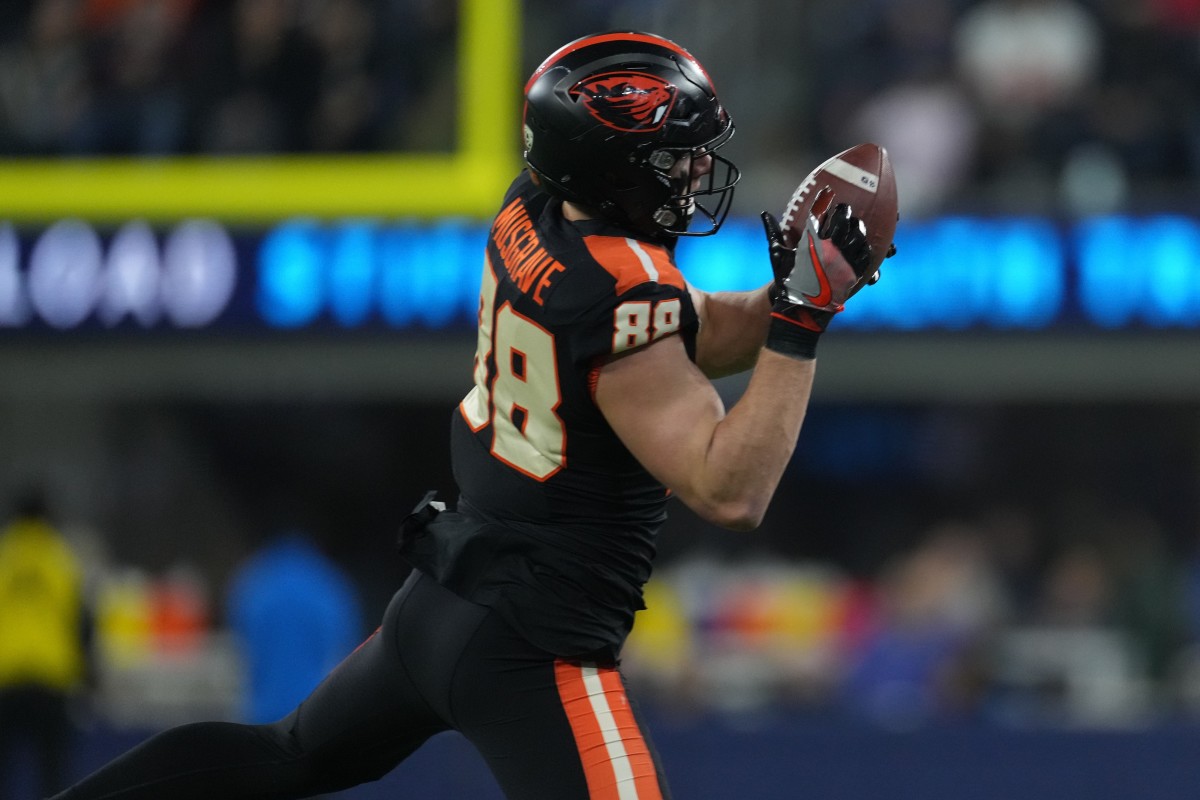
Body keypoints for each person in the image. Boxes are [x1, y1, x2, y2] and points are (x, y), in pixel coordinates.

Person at [49, 30, 895, 800]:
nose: (692, 175)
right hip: (536, 648)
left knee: (288, 754)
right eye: (674, 157)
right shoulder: (628, 292)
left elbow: (682, 335)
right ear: (611, 164)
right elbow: (729, 489)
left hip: (449, 595)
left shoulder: (533, 207)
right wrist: (802, 323)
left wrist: (788, 294)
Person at [0, 487, 92, 800]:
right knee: (54, 779)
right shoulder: (61, 558)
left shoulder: (4, 554)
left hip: (6, 679)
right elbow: (82, 620)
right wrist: (88, 671)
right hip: (51, 681)